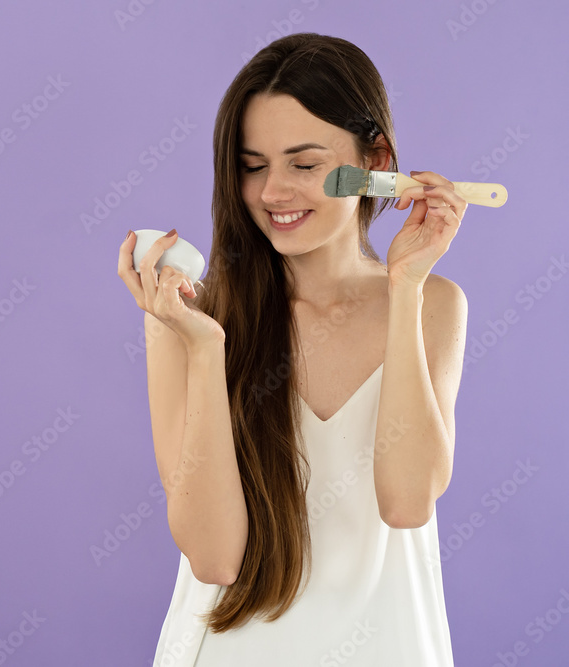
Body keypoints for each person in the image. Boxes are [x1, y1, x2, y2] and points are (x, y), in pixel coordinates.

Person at [116, 33, 467, 666]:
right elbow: (215, 558)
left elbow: (407, 501)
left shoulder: (432, 302)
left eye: (303, 165)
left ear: (376, 159)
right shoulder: (187, 318)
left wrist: (406, 286)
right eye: (253, 166)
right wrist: (204, 350)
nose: (273, 192)